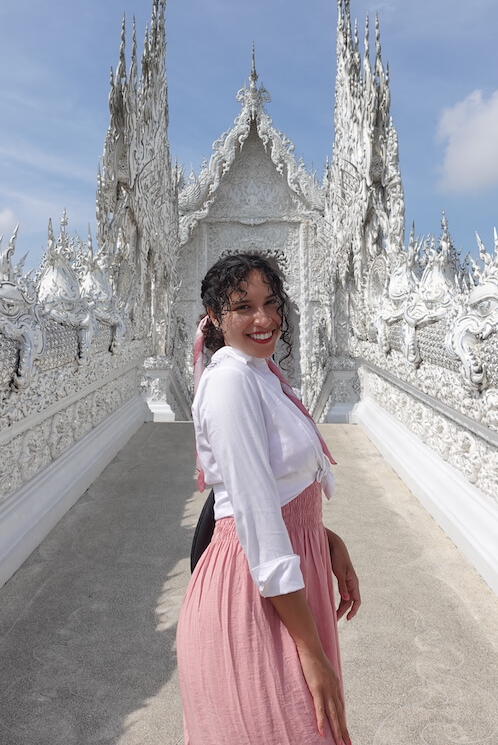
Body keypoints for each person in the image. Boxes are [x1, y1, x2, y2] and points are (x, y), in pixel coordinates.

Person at [177, 253, 360, 745]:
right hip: (253, 588)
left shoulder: (264, 375)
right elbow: (255, 518)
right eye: (243, 307)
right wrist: (311, 654)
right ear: (214, 317)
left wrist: (323, 538)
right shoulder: (231, 381)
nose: (264, 320)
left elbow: (279, 488)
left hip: (291, 576)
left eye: (271, 303)